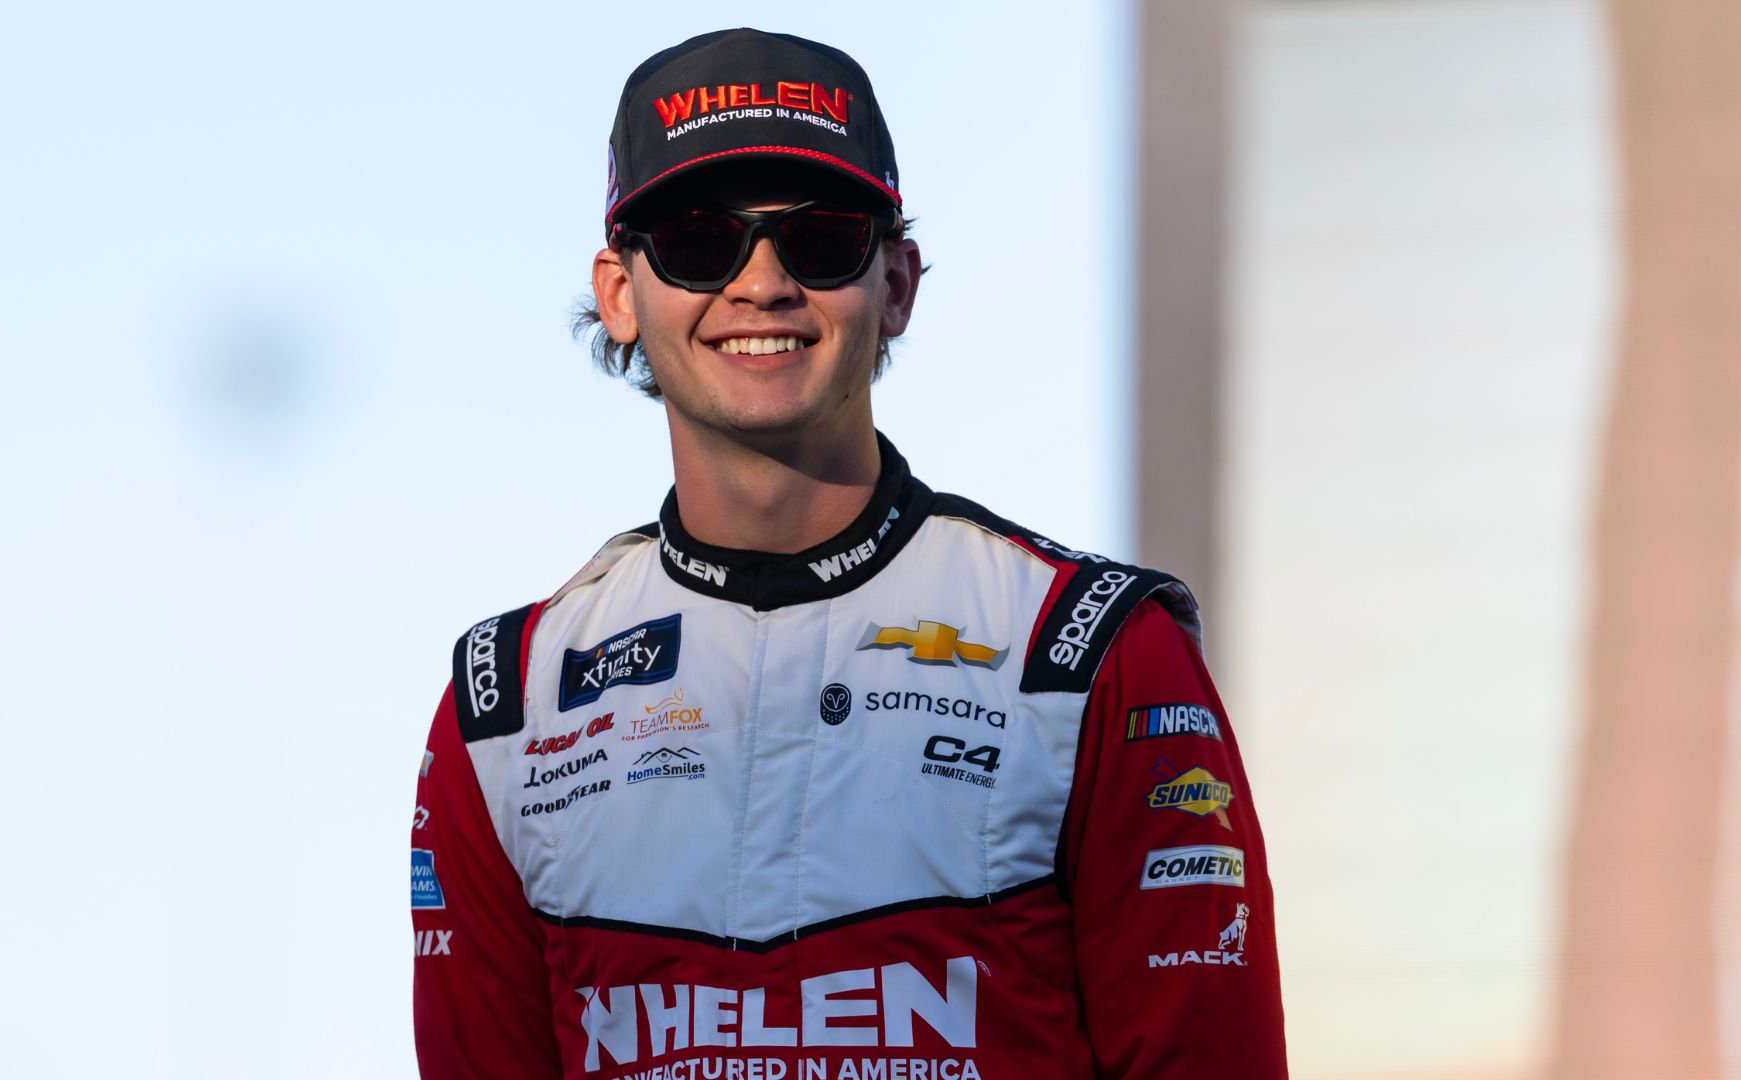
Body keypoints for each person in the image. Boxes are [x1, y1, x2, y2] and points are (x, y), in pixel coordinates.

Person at [411, 27, 1287, 1079]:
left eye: (819, 240)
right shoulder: (509, 704)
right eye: (698, 239)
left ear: (897, 283)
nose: (763, 282)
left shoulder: (1089, 650)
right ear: (620, 294)